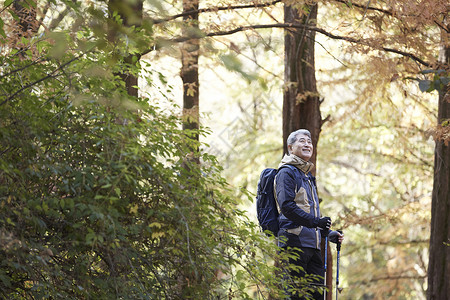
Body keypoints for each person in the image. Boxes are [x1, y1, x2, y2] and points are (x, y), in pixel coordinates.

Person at [274, 129, 344, 300]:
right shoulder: (286, 172)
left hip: (312, 247)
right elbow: (287, 207)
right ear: (290, 148)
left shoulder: (306, 176)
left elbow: (309, 217)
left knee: (317, 295)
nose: (307, 144)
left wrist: (328, 234)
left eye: (309, 142)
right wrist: (316, 222)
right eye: (302, 141)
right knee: (295, 295)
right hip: (294, 244)